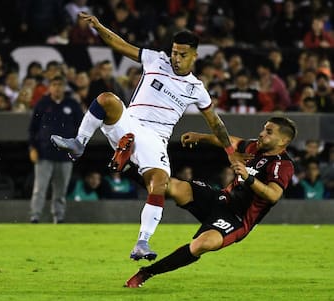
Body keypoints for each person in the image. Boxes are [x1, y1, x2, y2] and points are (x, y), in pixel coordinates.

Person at [51, 12, 239, 261]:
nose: (176, 58)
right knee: (107, 99)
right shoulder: (155, 60)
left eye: (183, 54)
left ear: (195, 56)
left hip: (156, 138)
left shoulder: (197, 89)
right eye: (174, 52)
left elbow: (215, 122)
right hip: (131, 123)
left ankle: (142, 242)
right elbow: (120, 45)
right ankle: (79, 143)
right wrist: (98, 26)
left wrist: (229, 151)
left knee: (160, 181)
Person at [125, 116, 297, 288]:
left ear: (283, 140)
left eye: (268, 132)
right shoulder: (253, 147)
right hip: (220, 199)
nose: (261, 134)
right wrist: (201, 137)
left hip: (238, 218)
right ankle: (127, 166)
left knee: (203, 244)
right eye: (263, 129)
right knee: (173, 186)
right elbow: (228, 141)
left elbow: (274, 195)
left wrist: (248, 177)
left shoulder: (282, 165)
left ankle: (146, 272)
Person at [29, 75, 83, 223]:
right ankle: (35, 216)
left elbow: (82, 127)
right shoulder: (42, 104)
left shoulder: (72, 105)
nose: (57, 87)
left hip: (65, 155)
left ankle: (58, 216)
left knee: (61, 189)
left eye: (60, 84)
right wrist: (32, 148)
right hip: (44, 153)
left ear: (64, 87)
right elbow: (33, 128)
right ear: (50, 87)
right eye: (54, 84)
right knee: (40, 188)